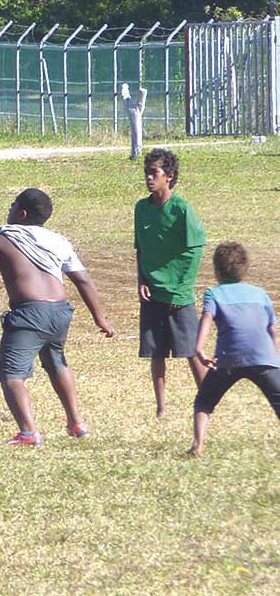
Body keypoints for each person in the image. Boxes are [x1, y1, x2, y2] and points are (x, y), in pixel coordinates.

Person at [0, 188, 115, 445]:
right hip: (60, 313)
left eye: (12, 205)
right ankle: (76, 423)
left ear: (21, 212)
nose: (8, 210)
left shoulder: (5, 238)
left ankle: (28, 432)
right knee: (57, 364)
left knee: (12, 375)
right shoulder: (58, 240)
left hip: (29, 313)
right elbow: (82, 279)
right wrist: (100, 317)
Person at [187, 242, 280, 457]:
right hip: (264, 358)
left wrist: (199, 348)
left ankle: (198, 445)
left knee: (204, 401)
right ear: (245, 269)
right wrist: (275, 357)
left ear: (217, 271)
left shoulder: (214, 293)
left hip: (228, 359)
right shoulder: (261, 294)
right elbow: (272, 330)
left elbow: (207, 319)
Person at [135, 147, 208, 416]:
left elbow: (195, 249)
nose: (149, 178)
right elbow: (140, 248)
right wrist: (141, 279)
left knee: (191, 350)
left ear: (170, 176)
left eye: (154, 173)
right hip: (152, 292)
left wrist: (181, 289)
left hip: (179, 295)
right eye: (147, 173)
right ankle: (161, 407)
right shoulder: (141, 209)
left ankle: (206, 400)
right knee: (155, 352)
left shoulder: (181, 209)